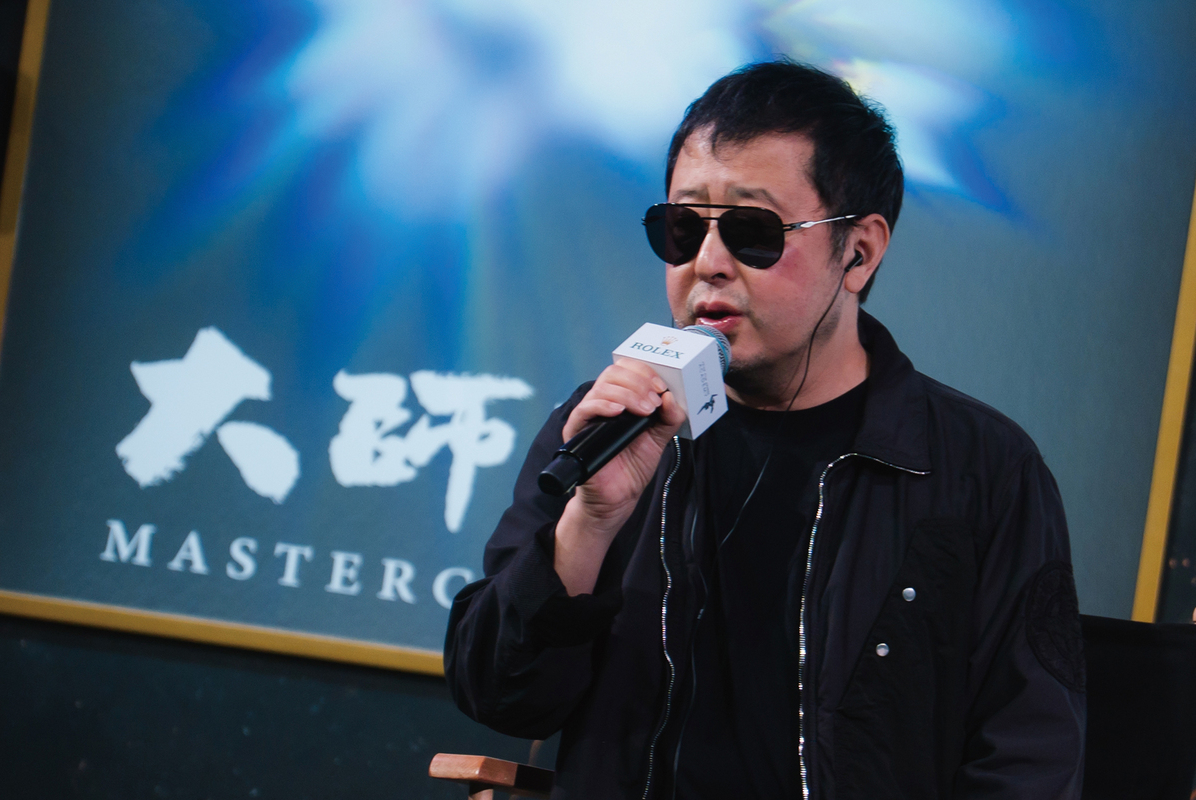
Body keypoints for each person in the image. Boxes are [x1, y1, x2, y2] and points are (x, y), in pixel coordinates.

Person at [444, 60, 1085, 799]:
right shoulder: (608, 424)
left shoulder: (980, 468)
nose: (708, 263)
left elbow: (1030, 753)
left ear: (859, 251)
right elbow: (498, 696)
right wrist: (588, 523)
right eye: (682, 228)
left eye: (753, 231)